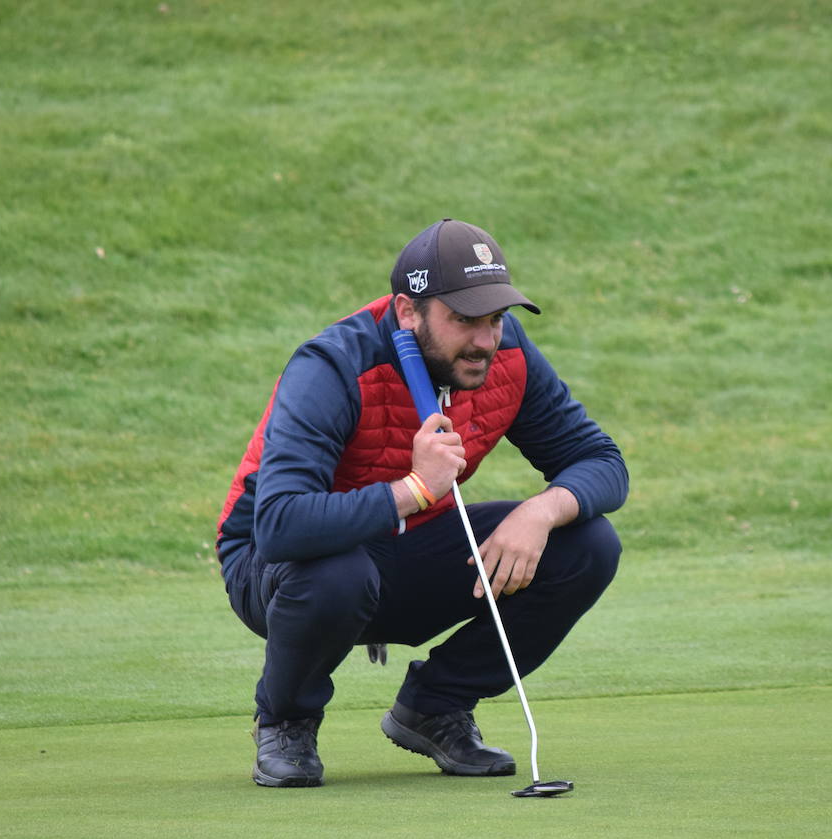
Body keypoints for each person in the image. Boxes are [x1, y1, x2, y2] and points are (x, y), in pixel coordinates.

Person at [216, 218, 627, 788]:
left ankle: (435, 706)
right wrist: (416, 489)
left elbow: (602, 462)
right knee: (339, 570)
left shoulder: (505, 354)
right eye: (464, 319)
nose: (485, 339)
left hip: (406, 551)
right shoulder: (332, 365)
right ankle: (286, 719)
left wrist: (542, 511)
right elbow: (281, 525)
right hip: (279, 568)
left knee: (586, 541)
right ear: (409, 312)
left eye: (495, 318)